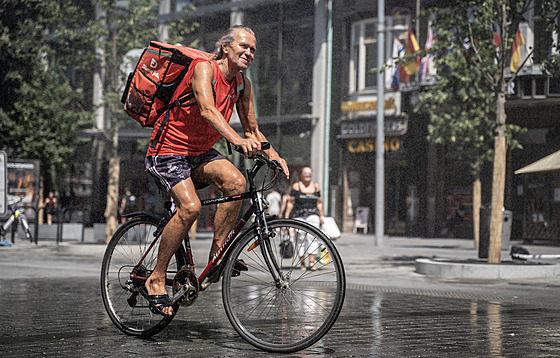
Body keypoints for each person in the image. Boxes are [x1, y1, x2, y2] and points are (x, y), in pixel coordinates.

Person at [142, 25, 289, 316]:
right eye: (243, 47)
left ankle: (217, 255)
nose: (249, 53)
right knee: (190, 208)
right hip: (167, 150)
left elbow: (253, 129)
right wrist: (236, 141)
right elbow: (208, 110)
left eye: (253, 50)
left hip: (199, 153)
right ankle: (155, 279)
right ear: (226, 47)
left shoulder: (242, 84)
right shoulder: (204, 68)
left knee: (236, 183)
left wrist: (274, 154)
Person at [284, 166, 324, 271]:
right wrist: (287, 216)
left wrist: (322, 216)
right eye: (305, 173)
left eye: (309, 173)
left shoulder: (316, 187)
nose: (307, 175)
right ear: (301, 175)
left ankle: (311, 263)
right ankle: (302, 263)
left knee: (313, 238)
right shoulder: (296, 186)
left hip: (313, 215)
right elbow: (290, 202)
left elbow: (319, 203)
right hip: (299, 215)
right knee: (300, 239)